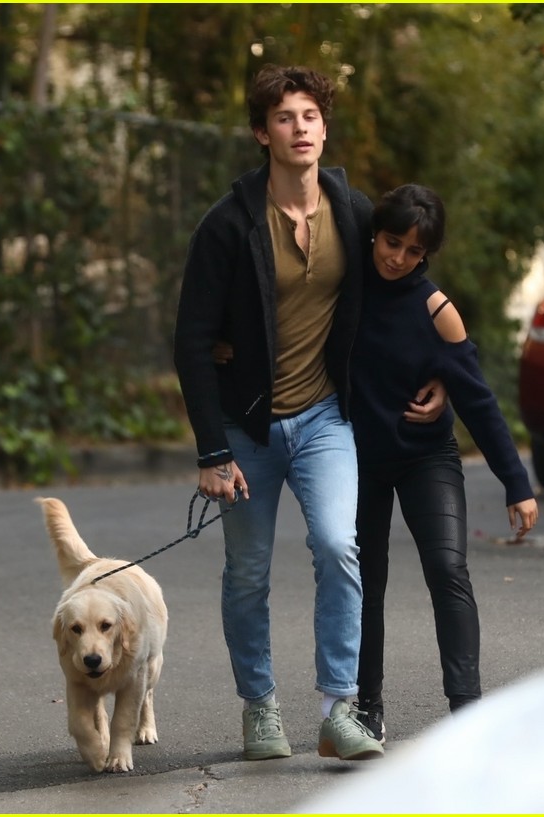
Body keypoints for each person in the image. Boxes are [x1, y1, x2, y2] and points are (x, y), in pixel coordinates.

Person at [173, 64, 447, 763]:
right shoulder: (229, 224)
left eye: (311, 116)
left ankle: (338, 710)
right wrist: (213, 450)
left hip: (326, 416)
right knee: (248, 571)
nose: (300, 129)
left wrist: (444, 370)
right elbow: (192, 339)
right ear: (262, 132)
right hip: (247, 427)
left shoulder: (354, 214)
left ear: (325, 128)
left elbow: (405, 281)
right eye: (286, 118)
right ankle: (260, 708)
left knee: (337, 544)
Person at [349, 183, 539, 744]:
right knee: (365, 582)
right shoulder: (347, 286)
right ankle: (366, 710)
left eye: (414, 251)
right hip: (356, 458)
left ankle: (467, 710)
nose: (398, 258)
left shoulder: (438, 312)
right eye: (391, 242)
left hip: (425, 456)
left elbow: (478, 401)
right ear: (375, 233)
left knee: (448, 570)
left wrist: (516, 483)